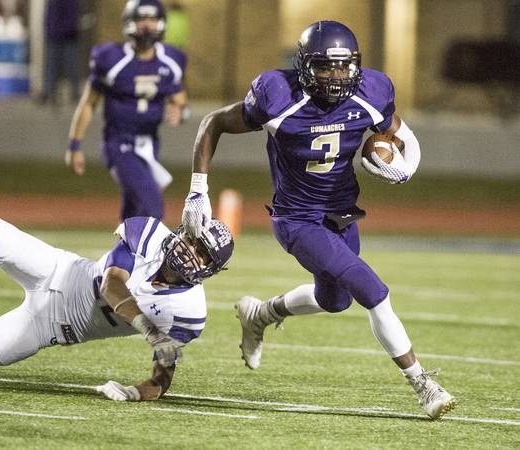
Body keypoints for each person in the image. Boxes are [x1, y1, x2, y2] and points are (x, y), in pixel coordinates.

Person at [180, 20, 457, 419]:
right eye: (326, 66)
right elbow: (214, 123)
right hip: (298, 220)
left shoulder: (371, 91)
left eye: (344, 66)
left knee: (335, 300)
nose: (337, 76)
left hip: (341, 214)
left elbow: (401, 133)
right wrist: (198, 190)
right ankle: (423, 384)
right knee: (372, 290)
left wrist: (405, 167)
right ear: (305, 66)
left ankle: (261, 313)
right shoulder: (278, 96)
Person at [0, 147, 233, 402]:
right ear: (186, 230)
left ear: (210, 270)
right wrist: (151, 332)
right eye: (194, 241)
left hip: (53, 325)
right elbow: (112, 284)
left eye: (203, 254)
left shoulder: (189, 314)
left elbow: (160, 378)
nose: (191, 251)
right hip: (59, 269)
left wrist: (134, 392)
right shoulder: (150, 233)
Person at [65, 0, 189, 221]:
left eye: (152, 19)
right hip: (119, 142)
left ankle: (125, 245)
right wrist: (74, 146)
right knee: (152, 206)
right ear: (130, 22)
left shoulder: (171, 60)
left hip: (150, 144)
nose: (147, 25)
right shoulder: (111, 59)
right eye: (141, 19)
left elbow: (181, 102)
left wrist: (180, 113)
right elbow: (88, 103)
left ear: (161, 23)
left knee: (134, 213)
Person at [41, 0, 81, 105]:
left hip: (68, 37)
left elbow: (72, 17)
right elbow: (49, 17)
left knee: (71, 66)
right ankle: (48, 92)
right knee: (51, 67)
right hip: (54, 37)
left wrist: (64, 30)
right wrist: (49, 32)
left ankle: (75, 92)